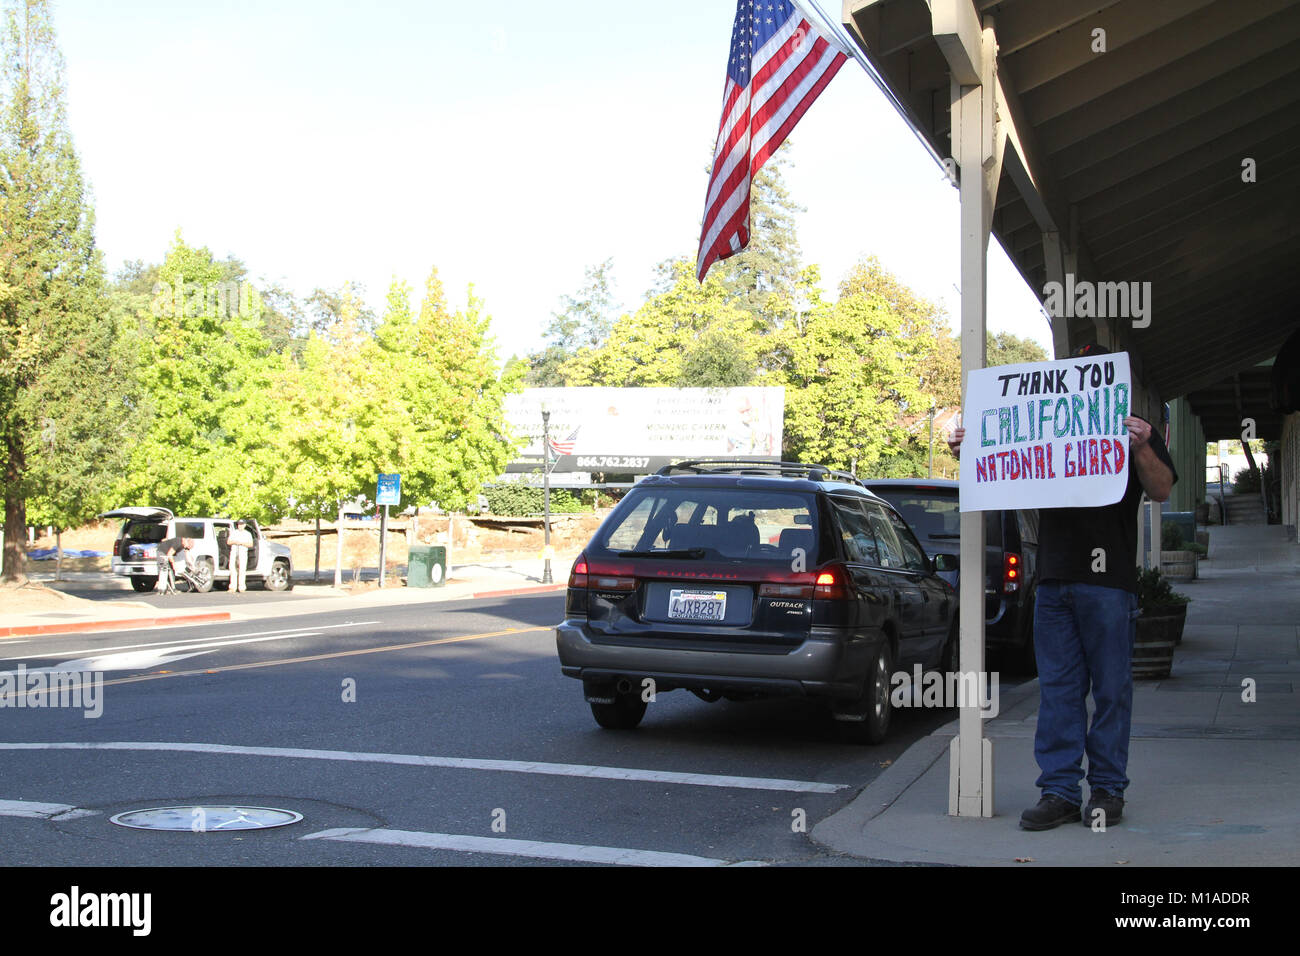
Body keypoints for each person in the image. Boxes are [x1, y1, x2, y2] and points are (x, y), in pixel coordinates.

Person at [947, 343, 1177, 830]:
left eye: (1093, 373)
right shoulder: (1045, 424)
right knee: (1059, 691)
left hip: (1109, 583)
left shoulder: (1133, 429)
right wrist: (973, 446)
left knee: (1111, 690)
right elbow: (1002, 470)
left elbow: (1161, 490)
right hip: (1053, 581)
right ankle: (1060, 791)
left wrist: (1141, 446)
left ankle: (1108, 791)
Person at [228, 520, 254, 593]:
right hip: (234, 552)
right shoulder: (234, 532)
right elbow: (228, 542)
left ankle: (242, 587)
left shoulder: (247, 534)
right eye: (239, 524)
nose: (240, 526)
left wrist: (242, 543)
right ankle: (232, 587)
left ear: (245, 525)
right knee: (232, 569)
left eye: (242, 524)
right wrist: (235, 542)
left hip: (243, 553)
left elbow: (251, 544)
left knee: (242, 570)